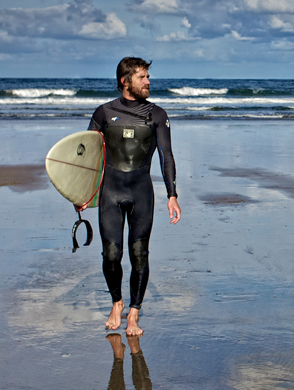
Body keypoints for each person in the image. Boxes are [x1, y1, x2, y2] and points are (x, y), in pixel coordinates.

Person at [86, 57, 181, 336]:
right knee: (111, 254)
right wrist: (82, 195)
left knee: (139, 253)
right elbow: (87, 157)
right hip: (110, 192)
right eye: (142, 77)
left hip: (141, 192)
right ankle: (117, 303)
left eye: (148, 76)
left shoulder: (157, 114)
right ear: (124, 81)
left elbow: (167, 157)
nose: (148, 81)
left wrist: (172, 195)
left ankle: (133, 314)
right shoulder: (104, 113)